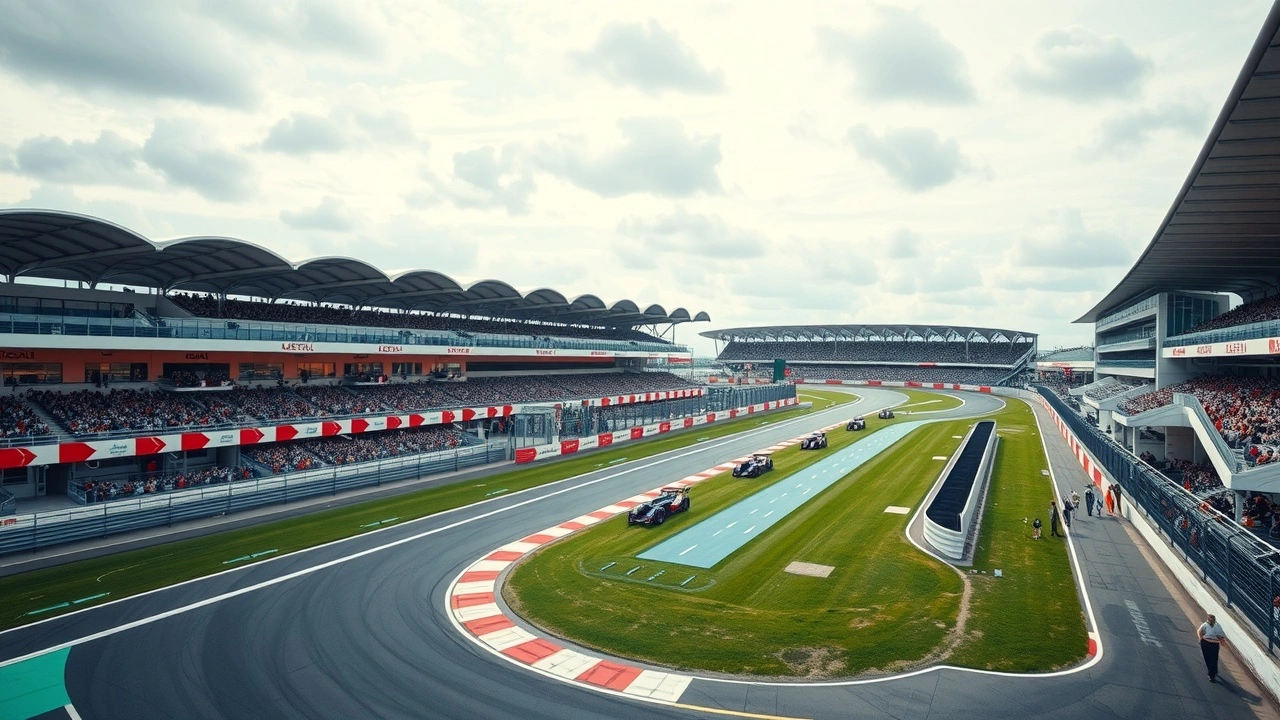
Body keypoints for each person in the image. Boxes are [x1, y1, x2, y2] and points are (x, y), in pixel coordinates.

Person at [1197, 614, 1226, 682]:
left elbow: (1221, 635)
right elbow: (1199, 631)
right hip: (1206, 642)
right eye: (1210, 619)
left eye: (1212, 620)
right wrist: (1201, 639)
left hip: (1214, 644)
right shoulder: (1205, 625)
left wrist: (1222, 641)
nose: (1211, 621)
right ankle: (1212, 672)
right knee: (1207, 658)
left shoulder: (1217, 626)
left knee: (1214, 659)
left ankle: (1213, 672)